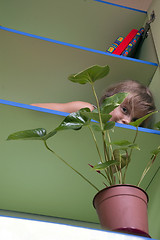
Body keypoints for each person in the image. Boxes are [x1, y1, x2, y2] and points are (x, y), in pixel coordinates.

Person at [31, 80, 156, 128]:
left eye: (135, 119)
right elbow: (34, 109)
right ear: (110, 99)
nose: (127, 121)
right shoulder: (86, 110)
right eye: (124, 110)